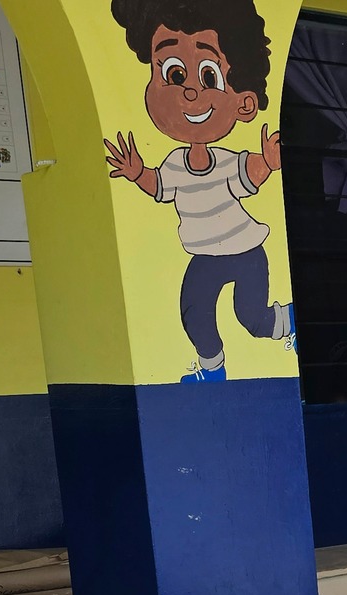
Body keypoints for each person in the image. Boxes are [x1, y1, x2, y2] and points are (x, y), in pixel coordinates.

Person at [106, 0, 294, 382]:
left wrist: (269, 162)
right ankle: (212, 371)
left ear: (243, 103)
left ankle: (290, 322)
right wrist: (138, 172)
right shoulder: (175, 163)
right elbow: (160, 186)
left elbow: (250, 175)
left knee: (252, 318)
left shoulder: (226, 161)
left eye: (209, 76)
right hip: (205, 256)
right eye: (174, 73)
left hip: (245, 252)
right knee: (194, 314)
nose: (190, 91)